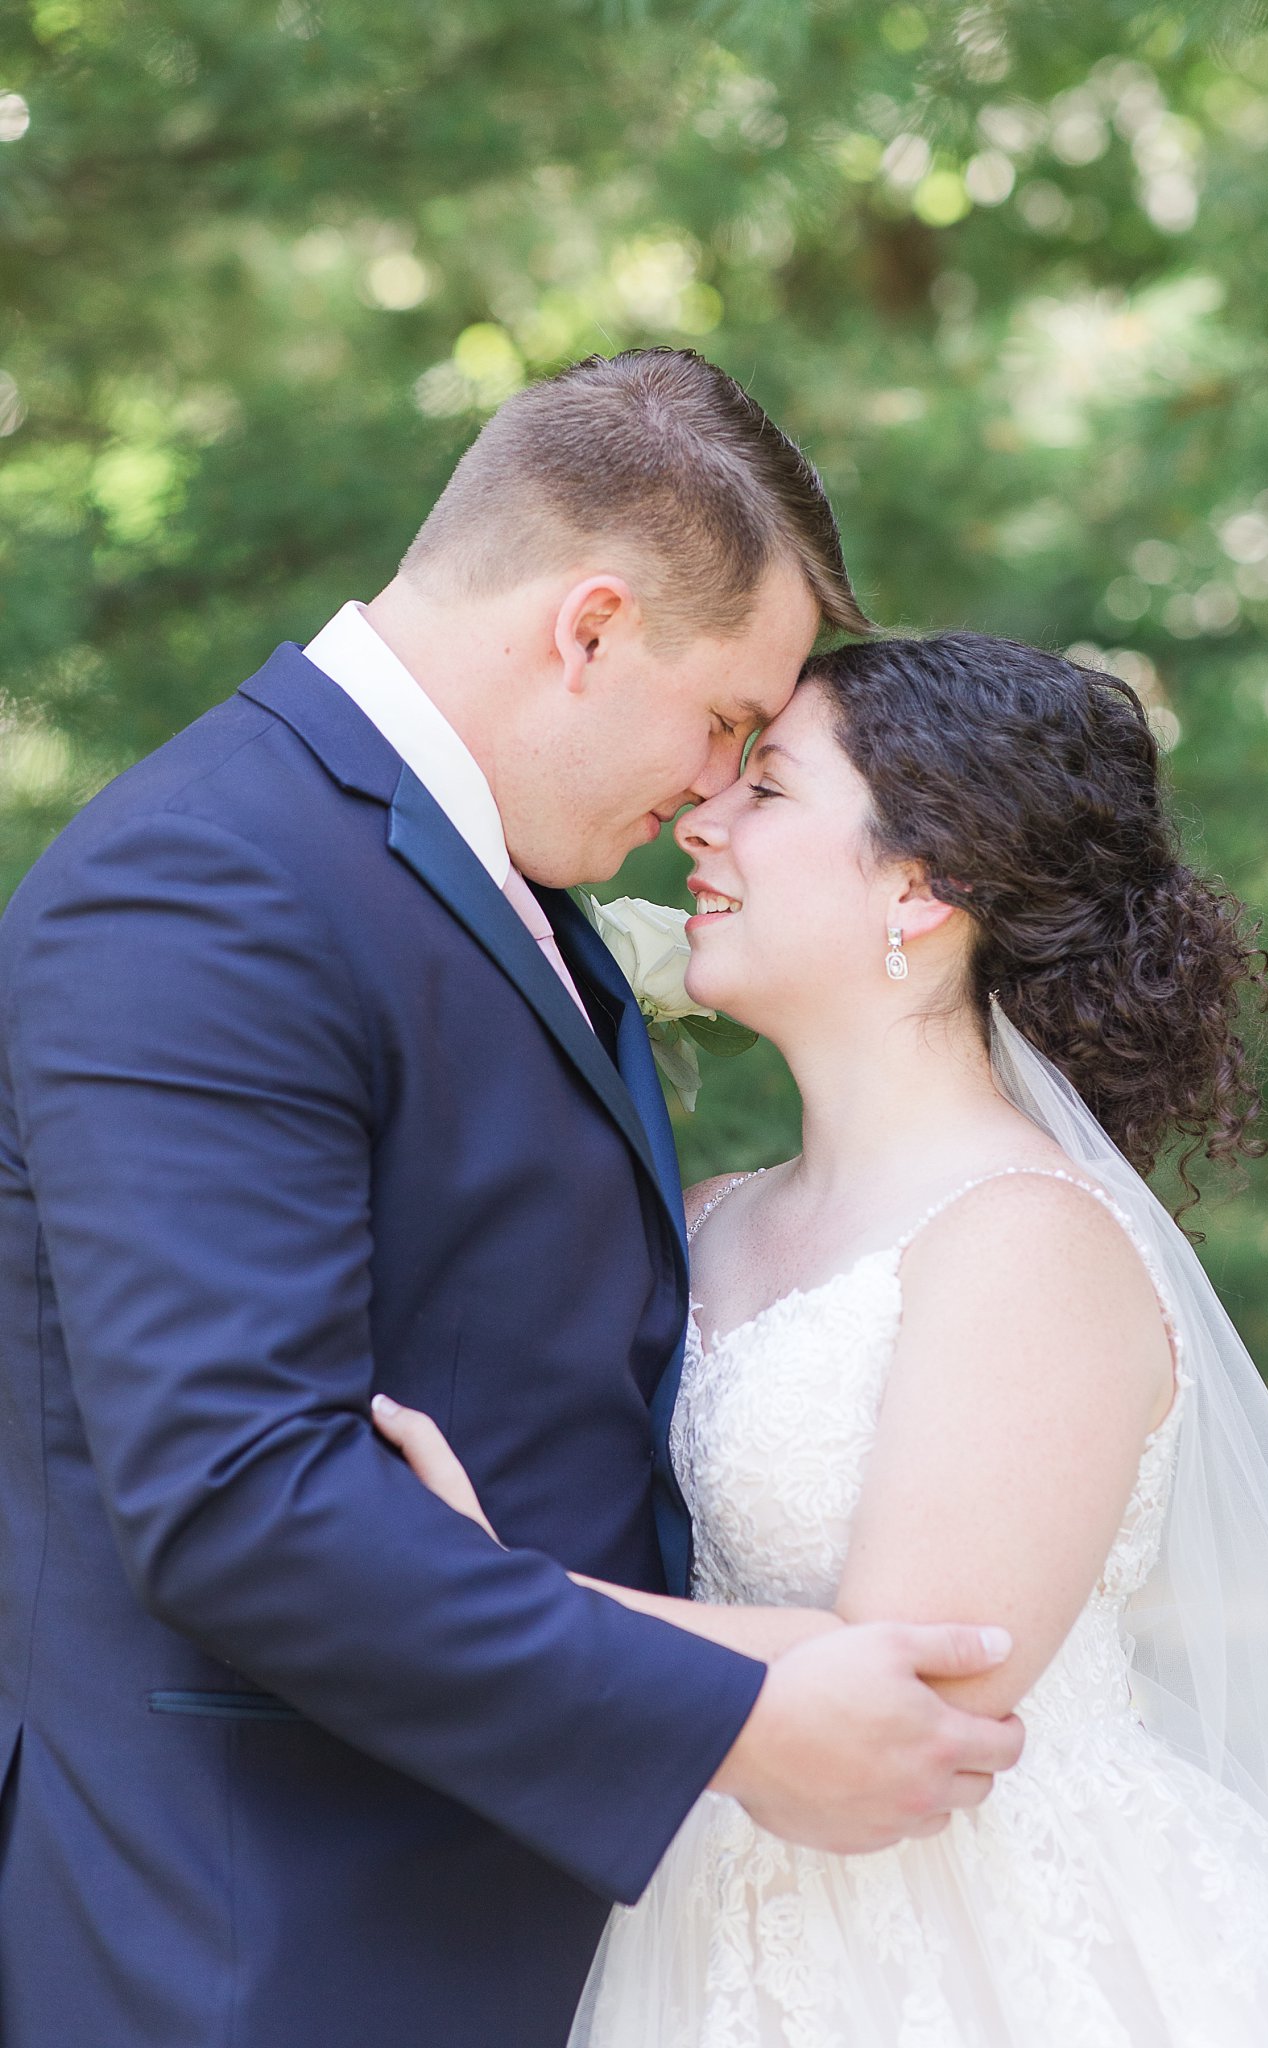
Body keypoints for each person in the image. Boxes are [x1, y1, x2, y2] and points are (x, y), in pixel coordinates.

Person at [0, 353, 1025, 2048]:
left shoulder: (474, 866)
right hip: (256, 1934)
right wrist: (730, 1716)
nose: (713, 789)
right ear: (588, 626)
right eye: (722, 723)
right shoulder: (203, 883)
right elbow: (236, 1496)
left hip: (488, 1909)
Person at [378, 632, 1268, 2045]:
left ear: (922, 883)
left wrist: (476, 1591)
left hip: (977, 1955)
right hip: (696, 1914)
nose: (699, 817)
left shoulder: (1027, 1238)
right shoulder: (706, 1216)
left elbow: (924, 1696)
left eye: (766, 789)